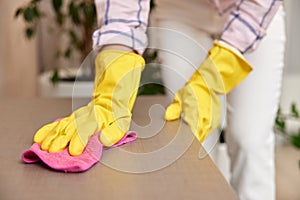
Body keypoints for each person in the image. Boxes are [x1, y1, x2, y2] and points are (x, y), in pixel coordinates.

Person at [33, 0, 285, 199]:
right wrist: (111, 89)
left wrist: (218, 69)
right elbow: (122, 7)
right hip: (180, 11)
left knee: (249, 138)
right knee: (192, 138)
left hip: (254, 12)